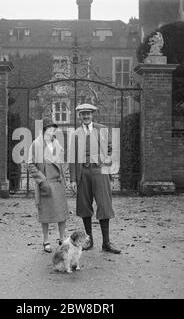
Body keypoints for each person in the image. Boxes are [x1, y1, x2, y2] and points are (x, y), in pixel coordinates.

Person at [69, 104, 121, 254]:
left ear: (92, 115)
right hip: (83, 172)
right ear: (79, 116)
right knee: (84, 206)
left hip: (100, 171)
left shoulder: (101, 129)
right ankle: (89, 240)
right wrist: (73, 179)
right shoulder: (76, 133)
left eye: (88, 114)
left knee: (104, 204)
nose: (86, 117)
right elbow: (72, 157)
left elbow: (111, 148)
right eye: (83, 114)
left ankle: (106, 243)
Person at [28, 118, 69, 253]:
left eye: (53, 128)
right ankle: (46, 240)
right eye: (49, 128)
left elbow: (63, 162)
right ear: (44, 129)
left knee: (61, 212)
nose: (51, 131)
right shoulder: (36, 144)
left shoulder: (57, 144)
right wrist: (41, 180)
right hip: (45, 183)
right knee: (45, 213)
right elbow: (30, 164)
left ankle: (62, 239)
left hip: (58, 183)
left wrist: (64, 176)